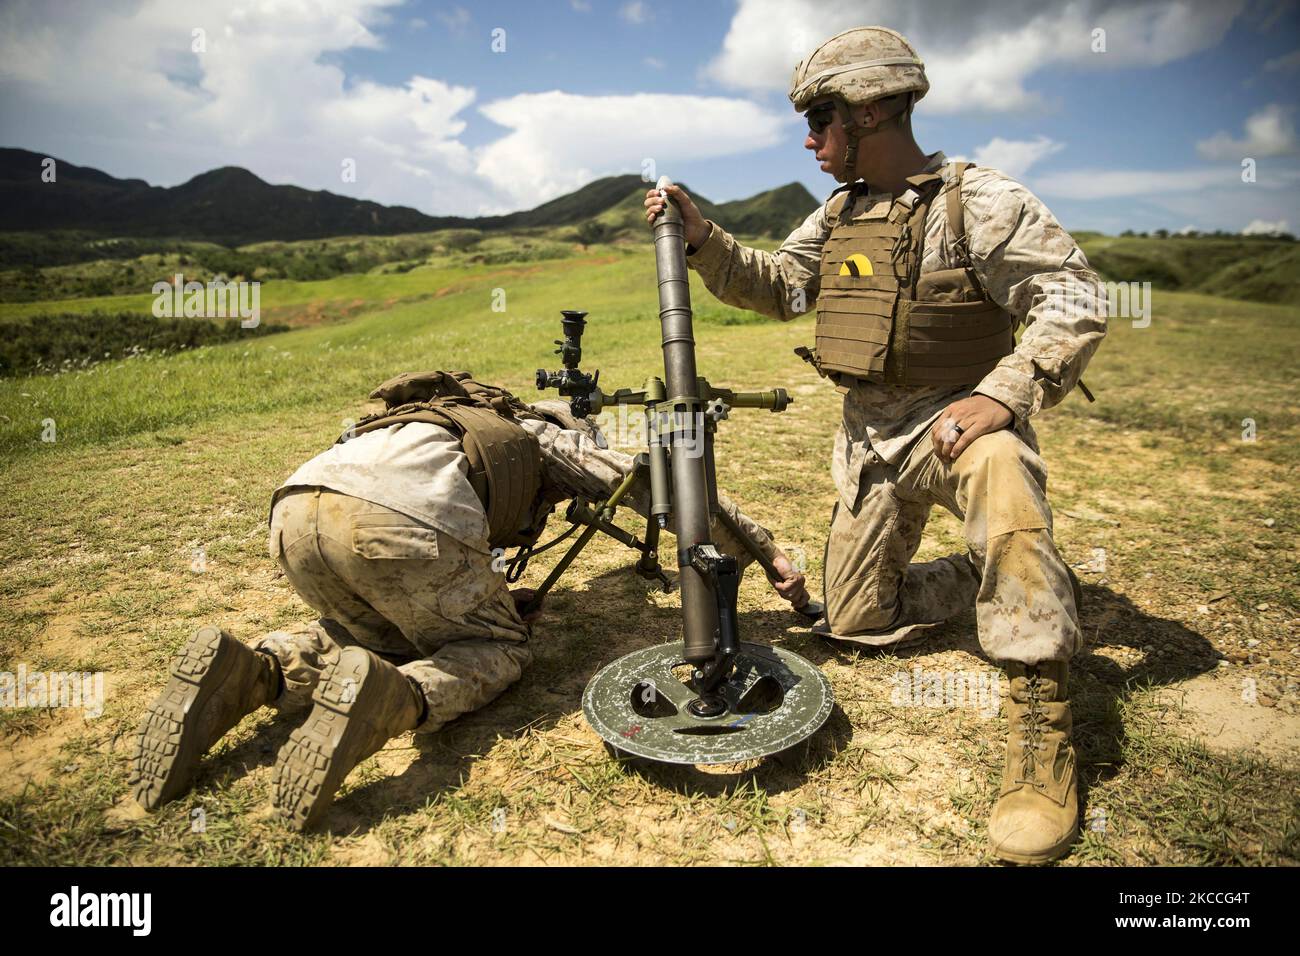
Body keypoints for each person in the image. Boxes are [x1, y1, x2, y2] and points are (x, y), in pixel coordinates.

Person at [644, 26, 1106, 864]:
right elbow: (777, 286)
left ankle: (1041, 717)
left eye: (820, 118)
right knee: (856, 620)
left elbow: (1072, 297)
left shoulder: (980, 202)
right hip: (869, 444)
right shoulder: (840, 212)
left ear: (874, 110)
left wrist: (1001, 395)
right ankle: (990, 573)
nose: (810, 139)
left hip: (956, 427)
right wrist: (704, 236)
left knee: (1003, 468)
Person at [130, 370, 810, 830]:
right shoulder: (546, 434)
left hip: (298, 510)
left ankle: (255, 669)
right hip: (401, 523)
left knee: (383, 629)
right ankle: (393, 697)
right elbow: (657, 486)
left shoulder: (439, 416)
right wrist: (766, 550)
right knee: (497, 649)